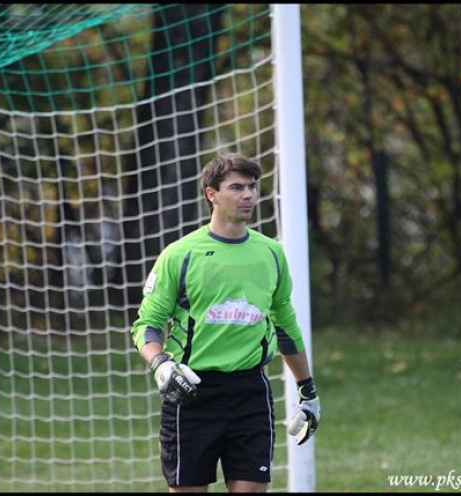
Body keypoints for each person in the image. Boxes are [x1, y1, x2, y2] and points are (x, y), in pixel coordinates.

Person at [130, 153, 321, 493]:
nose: (248, 195)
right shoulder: (180, 254)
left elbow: (285, 324)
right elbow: (147, 323)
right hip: (191, 393)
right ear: (211, 194)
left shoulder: (271, 253)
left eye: (252, 187)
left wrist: (307, 391)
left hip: (250, 392)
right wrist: (160, 364)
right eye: (236, 187)